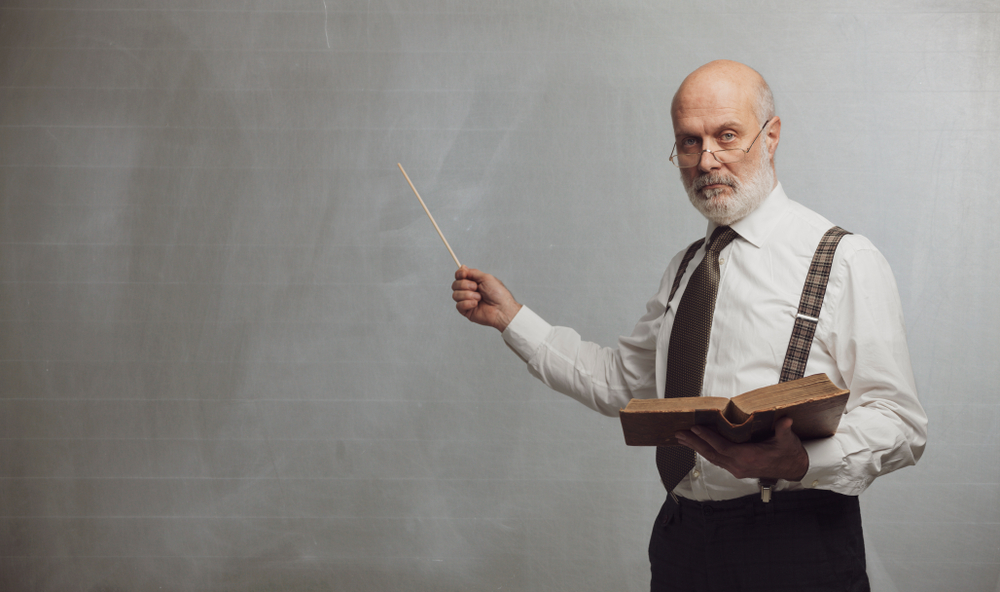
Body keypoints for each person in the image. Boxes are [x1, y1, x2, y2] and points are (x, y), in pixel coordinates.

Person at [450, 60, 927, 591]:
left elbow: (900, 424)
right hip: (682, 542)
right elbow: (623, 384)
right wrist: (511, 318)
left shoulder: (843, 260)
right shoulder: (686, 268)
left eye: (727, 136)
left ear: (770, 137)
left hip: (795, 545)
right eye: (689, 142)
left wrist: (803, 461)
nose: (706, 160)